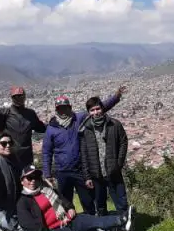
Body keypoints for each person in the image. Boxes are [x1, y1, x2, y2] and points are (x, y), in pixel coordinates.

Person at [42, 85, 127, 214]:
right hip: (62, 171)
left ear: (70, 107)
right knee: (66, 201)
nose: (63, 110)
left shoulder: (78, 119)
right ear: (56, 110)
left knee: (88, 201)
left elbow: (98, 108)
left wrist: (116, 97)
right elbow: (46, 152)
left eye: (65, 107)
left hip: (79, 169)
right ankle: (71, 227)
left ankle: (93, 224)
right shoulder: (51, 128)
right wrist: (47, 174)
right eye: (60, 108)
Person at [79, 96, 140, 231]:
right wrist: (87, 176)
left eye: (98, 108)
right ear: (89, 112)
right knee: (100, 205)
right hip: (96, 174)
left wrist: (118, 164)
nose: (96, 112)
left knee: (121, 203)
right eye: (92, 110)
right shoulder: (86, 130)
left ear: (103, 109)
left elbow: (124, 142)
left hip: (113, 172)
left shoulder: (114, 125)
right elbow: (84, 155)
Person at [0, 74, 46, 168]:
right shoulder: (4, 114)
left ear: (25, 97)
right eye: (16, 96)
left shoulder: (30, 114)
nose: (19, 98)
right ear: (12, 98)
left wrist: (56, 124)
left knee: (25, 182)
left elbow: (41, 128)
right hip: (8, 158)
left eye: (21, 96)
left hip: (26, 159)